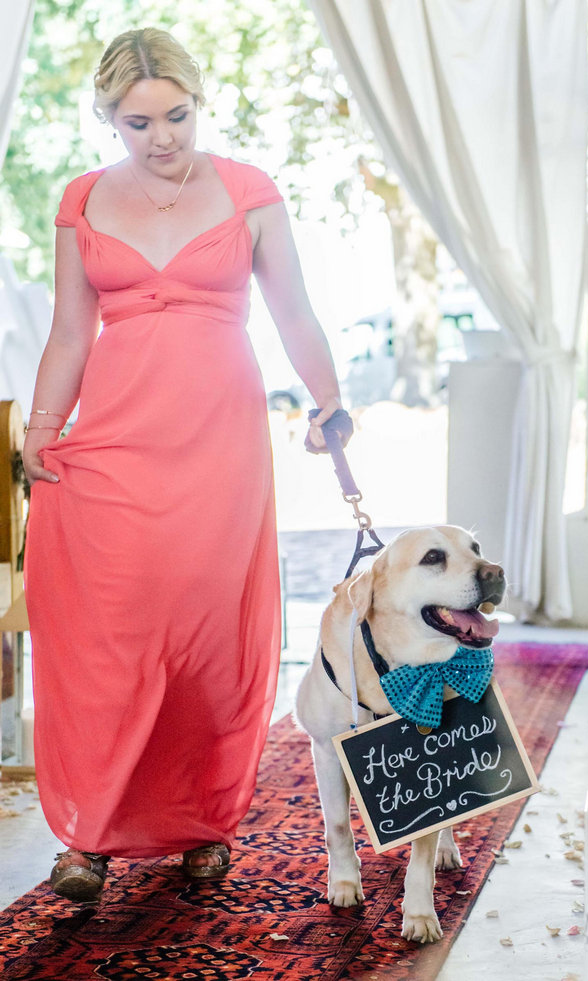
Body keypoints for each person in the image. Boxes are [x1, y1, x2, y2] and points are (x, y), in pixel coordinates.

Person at [23, 26, 349, 903]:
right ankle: (90, 834)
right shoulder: (82, 200)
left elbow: (295, 313)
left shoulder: (247, 192)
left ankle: (203, 820)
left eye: (177, 115)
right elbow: (68, 333)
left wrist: (329, 402)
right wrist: (42, 429)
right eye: (138, 122)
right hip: (116, 439)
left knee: (203, 635)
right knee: (110, 635)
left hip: (218, 440)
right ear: (107, 118)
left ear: (200, 104)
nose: (162, 137)